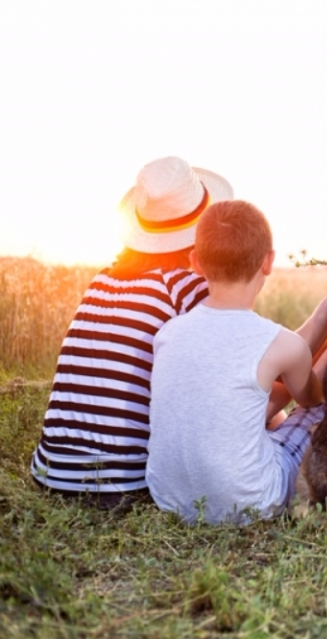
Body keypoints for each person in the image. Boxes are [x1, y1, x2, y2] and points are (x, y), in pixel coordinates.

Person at [30, 156, 232, 509]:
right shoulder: (183, 285)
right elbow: (239, 362)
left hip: (51, 470)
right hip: (119, 480)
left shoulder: (102, 279)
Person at [145, 199, 327, 524]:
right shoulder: (281, 344)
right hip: (251, 501)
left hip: (169, 498)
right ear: (268, 262)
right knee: (318, 412)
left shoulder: (168, 333)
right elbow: (313, 398)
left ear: (196, 262)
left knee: (255, 406)